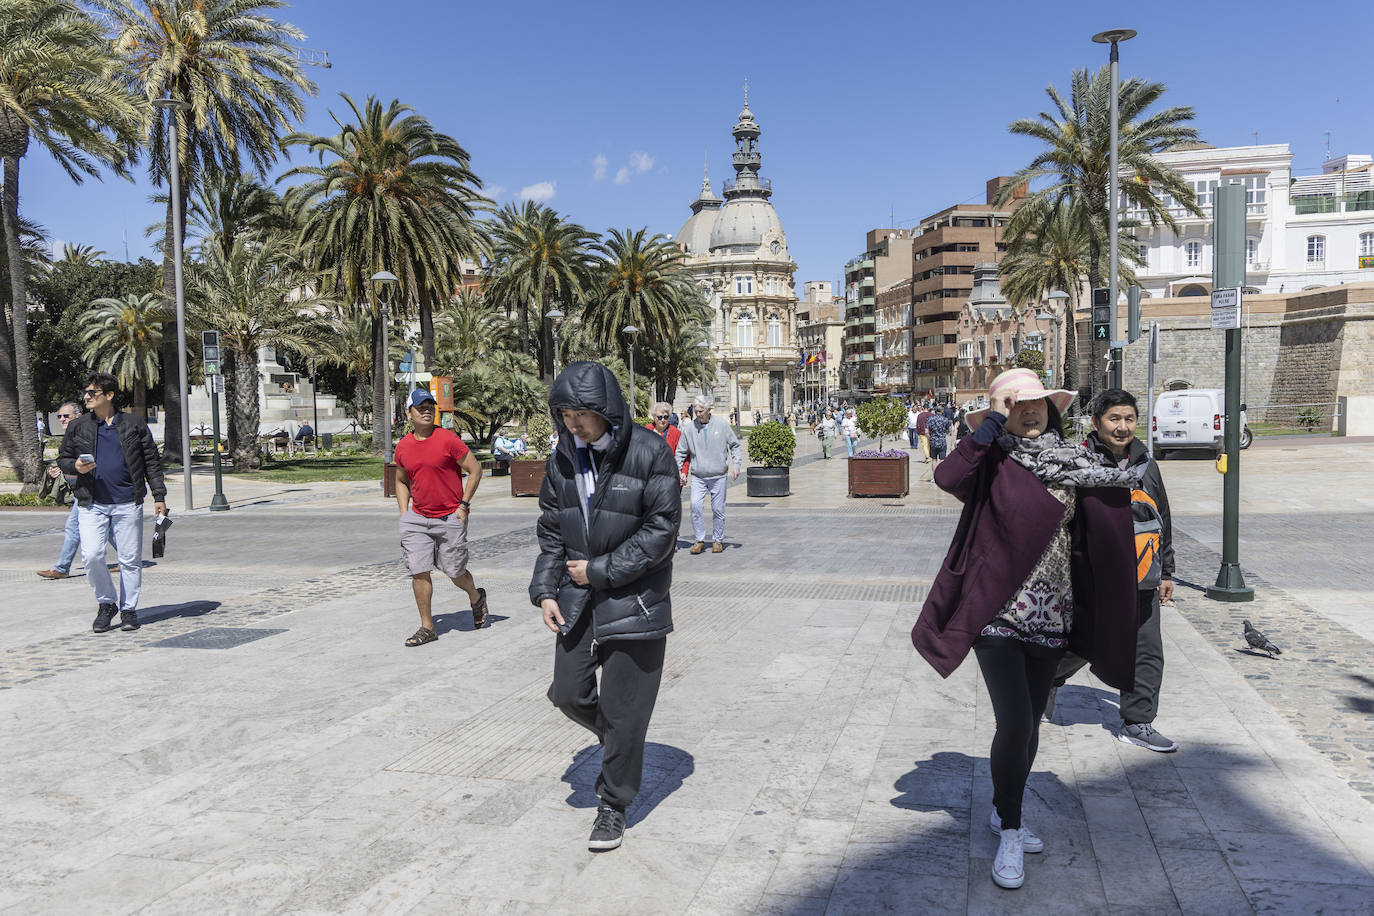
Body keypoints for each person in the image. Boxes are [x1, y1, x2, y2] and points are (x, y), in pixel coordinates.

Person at [910, 368, 1140, 891]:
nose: (1031, 411)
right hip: (997, 614)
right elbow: (946, 477)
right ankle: (1011, 829)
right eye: (1018, 405)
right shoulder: (991, 462)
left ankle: (1000, 806)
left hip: (1052, 615)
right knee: (1014, 722)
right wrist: (989, 424)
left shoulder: (1077, 462)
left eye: (1038, 403)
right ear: (1003, 413)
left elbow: (1102, 522)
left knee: (1031, 724)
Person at [530, 361, 679, 852]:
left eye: (582, 413)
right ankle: (617, 741)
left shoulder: (651, 452)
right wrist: (546, 589)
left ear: (607, 410)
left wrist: (599, 570)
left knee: (626, 709)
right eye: (565, 413)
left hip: (636, 598)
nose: (572, 422)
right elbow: (553, 528)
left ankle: (612, 805)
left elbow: (661, 532)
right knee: (568, 692)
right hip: (576, 597)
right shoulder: (562, 458)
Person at [1047, 389, 1177, 752]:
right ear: (1096, 422)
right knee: (1086, 642)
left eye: (1129, 419)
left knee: (1147, 650)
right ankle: (1046, 681)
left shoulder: (1147, 465)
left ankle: (1138, 721)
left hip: (1142, 573)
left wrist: (1167, 571)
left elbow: (1162, 517)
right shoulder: (1080, 462)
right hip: (1094, 573)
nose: (1122, 427)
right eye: (1114, 419)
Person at [57, 373, 168, 634]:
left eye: (92, 393)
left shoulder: (133, 424)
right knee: (92, 555)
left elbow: (151, 461)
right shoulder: (79, 426)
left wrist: (159, 496)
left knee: (129, 559)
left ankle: (129, 609)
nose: (86, 397)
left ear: (109, 395)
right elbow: (63, 458)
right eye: (86, 393)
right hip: (91, 502)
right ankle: (106, 603)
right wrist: (75, 465)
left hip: (127, 502)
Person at [393, 388, 488, 647]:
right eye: (420, 406)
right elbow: (400, 480)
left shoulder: (447, 439)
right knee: (419, 571)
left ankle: (475, 596)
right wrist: (404, 514)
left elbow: (475, 470)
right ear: (408, 412)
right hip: (418, 519)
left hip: (449, 517)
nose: (426, 410)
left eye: (429, 406)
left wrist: (463, 505)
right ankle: (428, 627)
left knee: (454, 571)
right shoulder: (403, 446)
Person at [674, 395, 742, 554]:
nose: (697, 414)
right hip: (698, 475)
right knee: (695, 507)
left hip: (718, 476)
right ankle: (699, 539)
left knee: (718, 509)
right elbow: (681, 452)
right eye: (695, 411)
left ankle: (718, 540)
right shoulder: (689, 429)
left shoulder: (722, 425)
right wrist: (678, 471)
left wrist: (736, 466)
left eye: (701, 411)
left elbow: (735, 445)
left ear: (709, 409)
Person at [36, 402, 88, 579]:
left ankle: (62, 568)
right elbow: (66, 460)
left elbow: (86, 461)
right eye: (59, 416)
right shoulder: (71, 434)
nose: (62, 419)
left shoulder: (85, 434)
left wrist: (69, 469)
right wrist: (57, 470)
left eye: (66, 416)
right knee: (107, 529)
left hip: (90, 488)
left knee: (73, 528)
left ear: (78, 416)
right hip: (82, 491)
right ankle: (126, 559)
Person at [645, 402, 689, 482]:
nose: (663, 420)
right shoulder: (646, 431)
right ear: (654, 417)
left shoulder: (676, 433)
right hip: (650, 475)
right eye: (659, 417)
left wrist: (684, 472)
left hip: (670, 475)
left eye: (666, 417)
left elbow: (685, 455)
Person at [925, 407, 952, 473]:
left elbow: (926, 432)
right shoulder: (945, 420)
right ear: (942, 411)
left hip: (933, 441)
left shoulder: (930, 419)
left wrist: (930, 438)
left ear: (935, 411)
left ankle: (934, 477)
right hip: (942, 441)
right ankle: (941, 475)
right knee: (942, 459)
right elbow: (948, 431)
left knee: (934, 460)